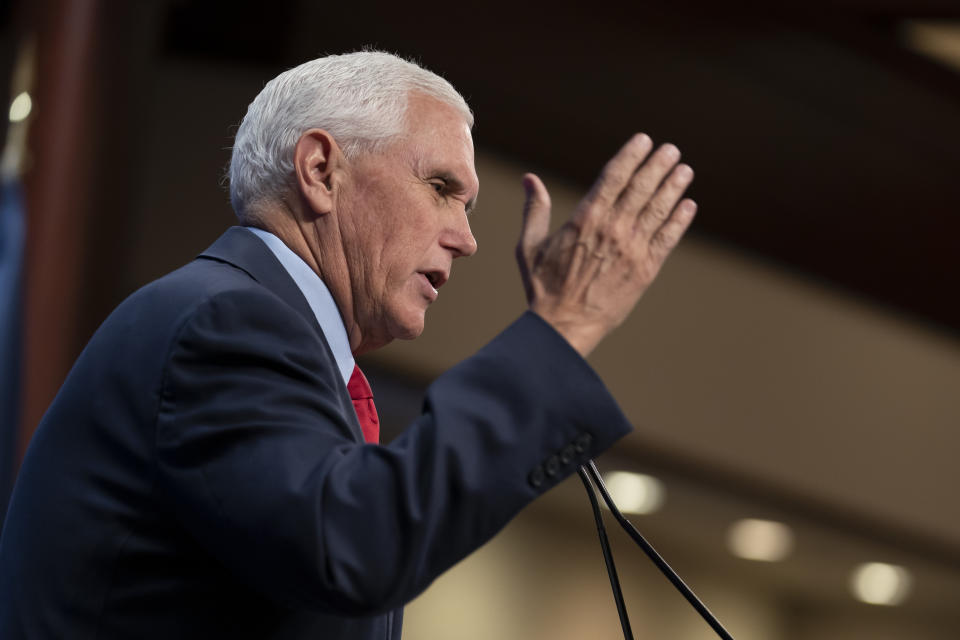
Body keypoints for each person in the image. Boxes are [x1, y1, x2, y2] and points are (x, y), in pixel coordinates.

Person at [0, 51, 696, 639]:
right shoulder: (223, 323)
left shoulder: (271, 345)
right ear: (320, 169)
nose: (468, 236)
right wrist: (563, 326)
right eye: (442, 188)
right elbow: (357, 544)